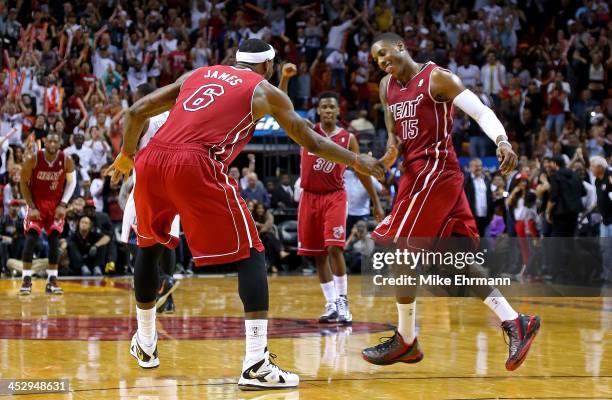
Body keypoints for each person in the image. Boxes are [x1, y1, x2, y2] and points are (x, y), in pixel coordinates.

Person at [105, 39, 383, 389]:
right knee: (251, 252)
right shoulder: (264, 91)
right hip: (196, 162)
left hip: (153, 158)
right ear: (268, 66)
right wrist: (359, 160)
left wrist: (128, 155)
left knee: (149, 246)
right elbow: (311, 141)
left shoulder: (199, 73)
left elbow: (135, 112)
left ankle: (145, 343)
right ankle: (256, 362)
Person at [362, 33, 540, 372]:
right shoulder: (387, 87)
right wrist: (380, 162)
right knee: (457, 262)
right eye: (376, 59)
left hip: (437, 173)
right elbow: (395, 139)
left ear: (401, 46)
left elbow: (480, 111)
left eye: (384, 53)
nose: (381, 61)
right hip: (413, 177)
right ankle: (516, 321)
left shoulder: (438, 78)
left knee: (400, 250)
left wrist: (501, 140)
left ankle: (406, 339)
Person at [295, 91, 384, 325]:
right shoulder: (307, 130)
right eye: (323, 107)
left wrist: (375, 201)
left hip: (334, 196)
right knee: (318, 255)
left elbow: (362, 172)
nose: (327, 111)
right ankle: (331, 303)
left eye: (331, 107)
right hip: (309, 197)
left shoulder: (348, 138)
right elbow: (282, 107)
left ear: (338, 111)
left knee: (335, 248)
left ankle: (343, 300)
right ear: (318, 110)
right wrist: (284, 79)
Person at [119, 83, 180, 314]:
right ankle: (168, 296)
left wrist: (123, 154)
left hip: (146, 189)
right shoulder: (175, 115)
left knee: (139, 245)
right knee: (168, 241)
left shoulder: (142, 118)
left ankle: (159, 284)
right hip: (174, 189)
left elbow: (128, 150)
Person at [19, 132, 76, 295]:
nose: (52, 143)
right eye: (50, 140)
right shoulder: (34, 158)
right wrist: (31, 206)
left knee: (54, 240)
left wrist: (63, 204)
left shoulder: (66, 160)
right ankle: (26, 279)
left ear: (59, 143)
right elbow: (23, 182)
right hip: (36, 203)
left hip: (55, 205)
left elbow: (72, 182)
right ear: (45, 141)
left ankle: (52, 280)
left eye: (55, 141)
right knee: (31, 238)